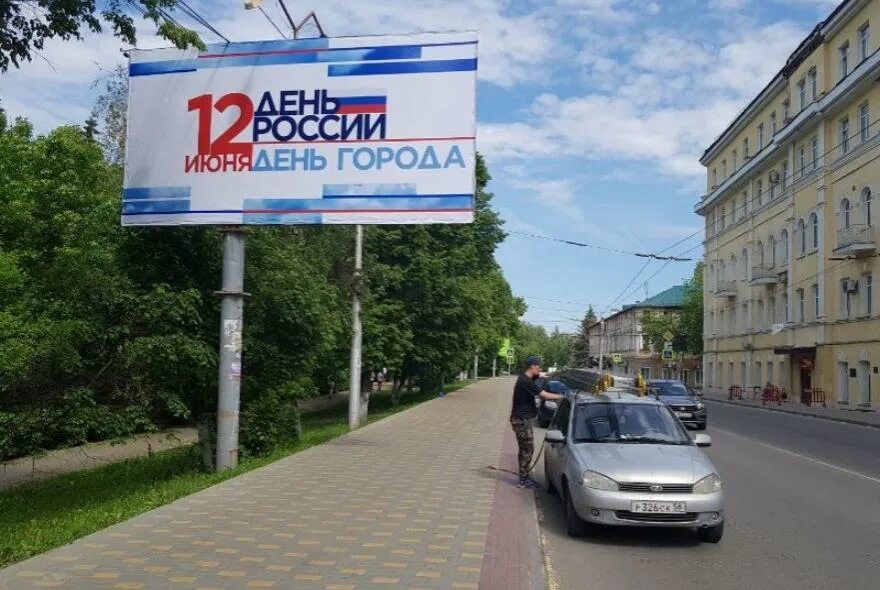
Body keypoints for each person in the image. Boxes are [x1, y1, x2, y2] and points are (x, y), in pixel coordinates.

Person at [510, 356, 565, 489]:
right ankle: (523, 480)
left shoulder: (527, 378)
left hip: (522, 419)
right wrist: (563, 397)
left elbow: (543, 375)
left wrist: (556, 374)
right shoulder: (525, 381)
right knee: (527, 449)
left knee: (526, 448)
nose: (540, 369)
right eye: (539, 366)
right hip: (521, 420)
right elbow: (544, 395)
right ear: (533, 366)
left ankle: (524, 476)